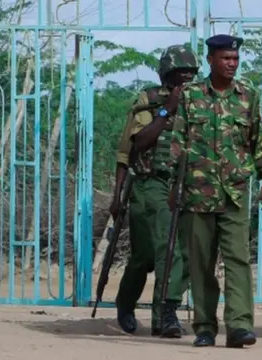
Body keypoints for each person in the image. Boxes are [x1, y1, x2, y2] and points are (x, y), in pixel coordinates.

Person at [169, 34, 262, 348]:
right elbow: (178, 144)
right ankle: (204, 327)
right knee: (201, 263)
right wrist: (174, 187)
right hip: (197, 193)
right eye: (225, 58)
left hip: (236, 192)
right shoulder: (191, 95)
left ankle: (240, 325)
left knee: (238, 260)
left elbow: (260, 143)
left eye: (235, 59)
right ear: (211, 60)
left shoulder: (248, 95)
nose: (232, 64)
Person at [110, 44, 199, 338]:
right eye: (180, 72)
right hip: (151, 184)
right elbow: (135, 147)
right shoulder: (148, 102)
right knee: (148, 255)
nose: (186, 77)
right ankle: (126, 302)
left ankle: (165, 315)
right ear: (166, 74)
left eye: (191, 72)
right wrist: (167, 110)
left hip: (187, 185)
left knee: (179, 253)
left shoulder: (201, 102)